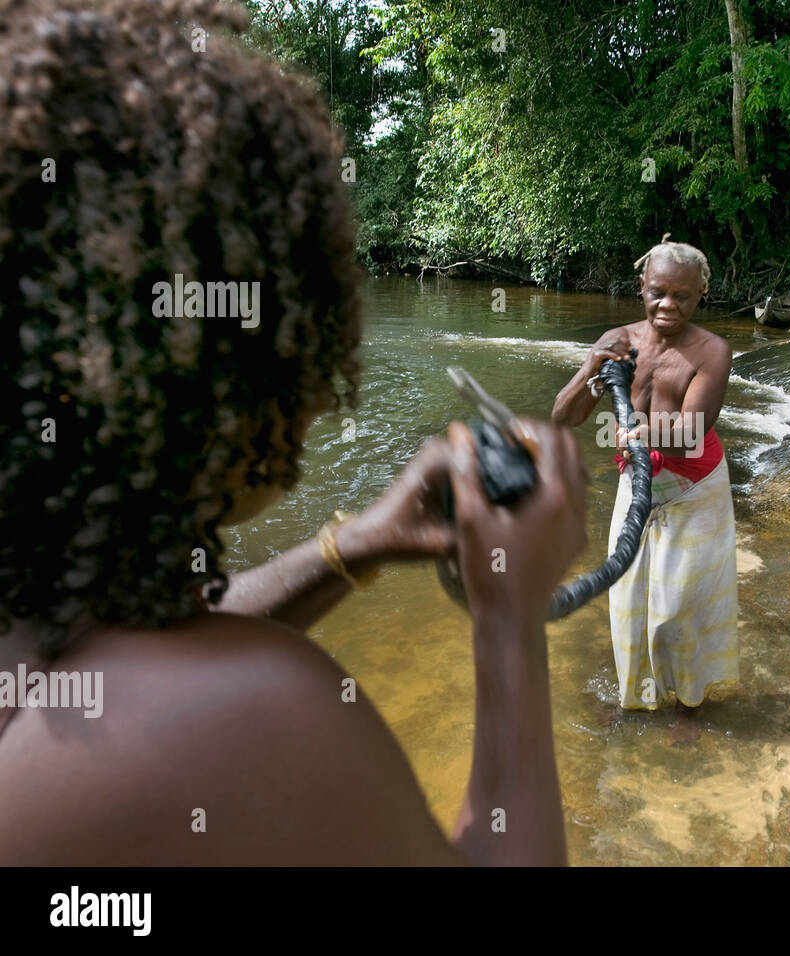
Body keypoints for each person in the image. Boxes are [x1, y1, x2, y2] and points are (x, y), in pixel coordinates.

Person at [0, 0, 586, 865]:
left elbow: (136, 650)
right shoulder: (252, 720)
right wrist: (511, 616)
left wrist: (355, 543)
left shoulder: (46, 611)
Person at [552, 235, 739, 712]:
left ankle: (689, 707)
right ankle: (637, 701)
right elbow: (564, 416)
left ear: (702, 293)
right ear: (641, 286)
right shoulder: (618, 342)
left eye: (682, 295)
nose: (668, 305)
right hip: (634, 483)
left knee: (679, 610)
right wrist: (594, 364)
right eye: (658, 291)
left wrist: (636, 427)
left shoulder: (713, 351)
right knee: (628, 603)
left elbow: (691, 432)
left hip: (693, 489)